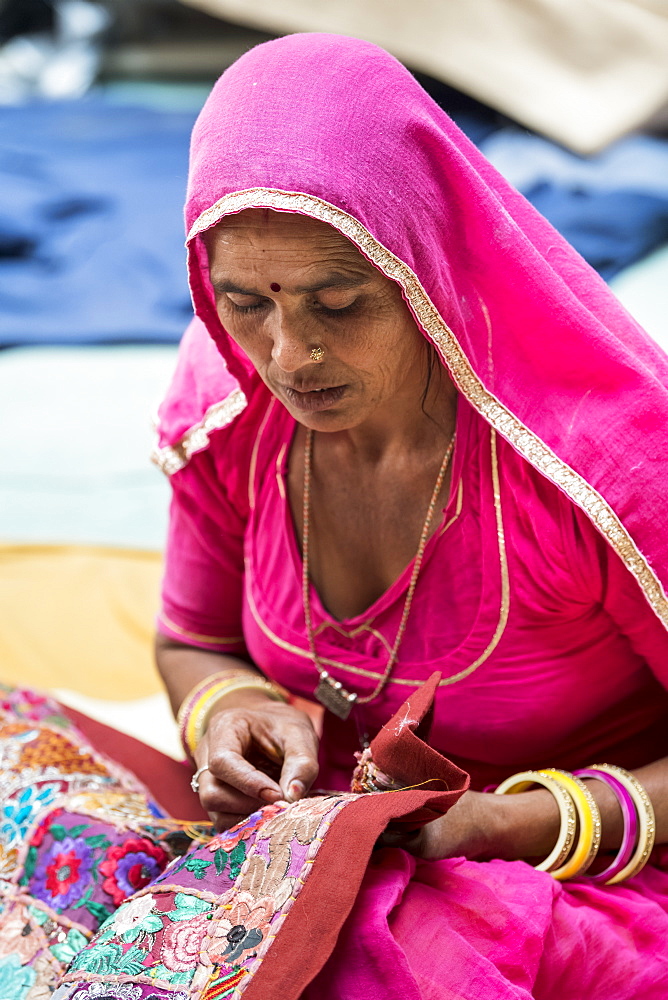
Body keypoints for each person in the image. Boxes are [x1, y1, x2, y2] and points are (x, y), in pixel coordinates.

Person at [149, 30, 668, 999]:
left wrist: (538, 822)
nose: (287, 354)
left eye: (337, 303)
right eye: (241, 302)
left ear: (422, 267)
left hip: (584, 868)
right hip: (324, 843)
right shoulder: (231, 412)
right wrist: (228, 711)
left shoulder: (598, 466)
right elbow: (190, 639)